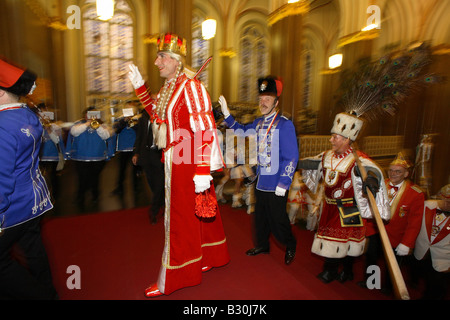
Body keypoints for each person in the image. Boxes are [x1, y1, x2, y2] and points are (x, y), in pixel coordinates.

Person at [128, 32, 229, 297]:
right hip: (175, 157)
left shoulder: (192, 87)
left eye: (162, 56)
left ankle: (173, 277)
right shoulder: (171, 86)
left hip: (188, 160)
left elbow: (205, 130)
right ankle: (208, 256)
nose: (157, 61)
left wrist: (203, 171)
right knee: (197, 213)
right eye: (158, 56)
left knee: (179, 219)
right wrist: (141, 88)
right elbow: (158, 116)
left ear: (175, 60)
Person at [298, 112, 390, 283]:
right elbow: (311, 163)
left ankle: (338, 271)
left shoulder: (358, 160)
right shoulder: (327, 155)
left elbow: (373, 171)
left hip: (348, 209)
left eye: (335, 137)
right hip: (329, 207)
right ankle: (337, 271)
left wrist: (371, 179)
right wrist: (292, 162)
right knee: (333, 240)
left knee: (346, 242)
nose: (331, 140)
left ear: (347, 139)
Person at [219, 76, 299, 265]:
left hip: (277, 183)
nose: (263, 102)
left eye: (268, 99)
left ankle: (291, 243)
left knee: (278, 220)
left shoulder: (285, 124)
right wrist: (227, 114)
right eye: (261, 98)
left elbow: (292, 157)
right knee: (260, 218)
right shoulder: (258, 123)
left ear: (276, 102)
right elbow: (240, 130)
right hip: (261, 180)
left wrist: (284, 182)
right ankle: (263, 244)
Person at [0, 58, 57, 299]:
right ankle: (49, 292)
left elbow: (2, 178)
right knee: (33, 249)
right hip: (34, 201)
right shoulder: (28, 115)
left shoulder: (2, 124)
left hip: (11, 206)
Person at [362, 152, 425, 291]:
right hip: (376, 230)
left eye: (398, 171)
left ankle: (388, 287)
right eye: (391, 170)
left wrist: (407, 243)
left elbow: (415, 222)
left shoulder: (416, 194)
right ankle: (372, 282)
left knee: (391, 263)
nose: (393, 174)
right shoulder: (380, 184)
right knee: (371, 257)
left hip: (397, 235)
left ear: (406, 174)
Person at [65, 107, 114, 211]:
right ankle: (80, 197)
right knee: (81, 179)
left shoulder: (102, 125)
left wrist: (97, 126)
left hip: (97, 158)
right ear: (85, 115)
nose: (91, 116)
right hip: (81, 158)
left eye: (94, 114)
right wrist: (88, 123)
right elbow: (74, 132)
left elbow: (106, 136)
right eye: (89, 114)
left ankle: (95, 196)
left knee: (95, 179)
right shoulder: (78, 123)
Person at [413, 184, 450, 299]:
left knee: (438, 288)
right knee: (425, 280)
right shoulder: (425, 205)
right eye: (446, 201)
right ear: (439, 197)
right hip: (422, 251)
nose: (448, 205)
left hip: (443, 258)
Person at [132, 104, 164, 223]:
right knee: (152, 183)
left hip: (159, 155)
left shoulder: (164, 117)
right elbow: (139, 137)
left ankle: (153, 211)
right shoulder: (144, 117)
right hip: (146, 155)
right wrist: (136, 153)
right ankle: (161, 202)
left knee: (160, 183)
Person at [112, 102, 139, 205]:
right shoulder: (120, 119)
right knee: (121, 170)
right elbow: (117, 130)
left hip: (134, 148)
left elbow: (139, 131)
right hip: (123, 149)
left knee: (135, 170)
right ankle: (119, 188)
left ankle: (136, 188)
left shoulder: (138, 119)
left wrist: (132, 122)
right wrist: (124, 121)